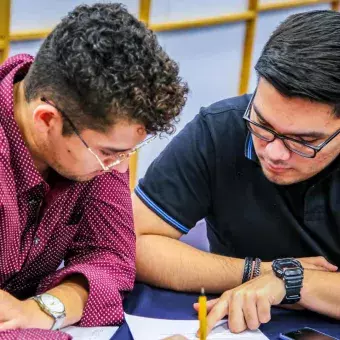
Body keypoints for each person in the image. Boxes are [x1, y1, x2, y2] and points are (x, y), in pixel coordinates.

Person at [133, 10, 340, 335]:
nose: (273, 152)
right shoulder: (221, 129)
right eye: (263, 124)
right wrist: (258, 273)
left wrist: (292, 283)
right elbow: (135, 242)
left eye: (304, 141)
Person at [0, 2, 187, 334]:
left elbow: (111, 259)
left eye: (129, 151)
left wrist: (44, 309)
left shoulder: (90, 136)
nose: (119, 167)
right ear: (46, 120)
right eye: (109, 153)